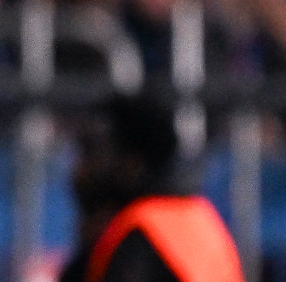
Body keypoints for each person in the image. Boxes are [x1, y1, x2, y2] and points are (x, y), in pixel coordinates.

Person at [58, 95, 242, 282]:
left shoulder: (141, 239)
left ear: (132, 163)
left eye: (89, 153)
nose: (77, 171)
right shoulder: (194, 215)